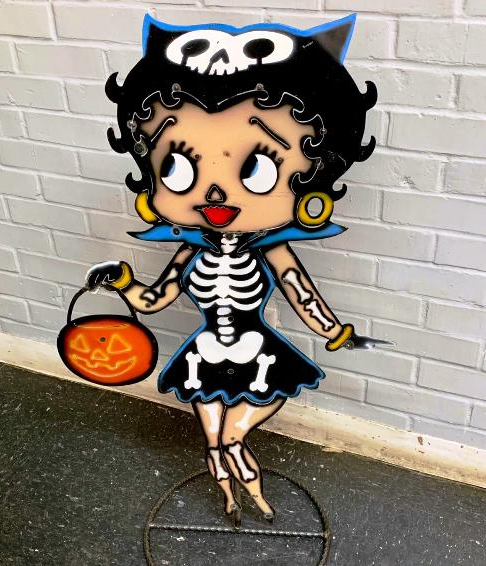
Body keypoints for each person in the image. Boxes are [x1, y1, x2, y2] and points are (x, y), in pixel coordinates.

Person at [85, 13, 378, 520]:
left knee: (232, 437)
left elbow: (301, 293)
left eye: (256, 168)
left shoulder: (273, 249)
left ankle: (258, 499)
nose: (217, 192)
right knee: (214, 442)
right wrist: (121, 282)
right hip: (203, 356)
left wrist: (340, 334)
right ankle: (229, 499)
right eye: (176, 167)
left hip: (259, 357)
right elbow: (155, 300)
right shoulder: (189, 250)